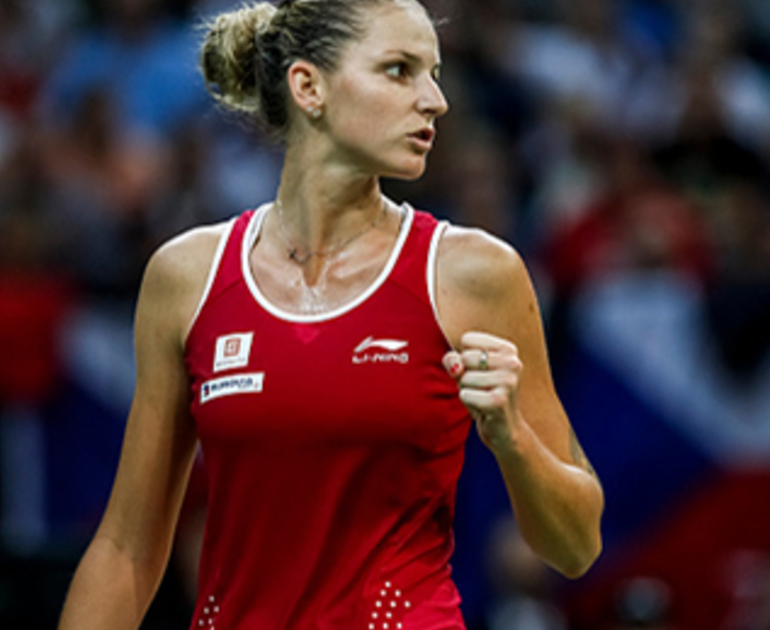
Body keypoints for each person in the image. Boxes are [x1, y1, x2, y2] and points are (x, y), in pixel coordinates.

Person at [56, 1, 604, 628]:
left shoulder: (477, 274)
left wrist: (514, 438)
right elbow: (126, 550)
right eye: (399, 70)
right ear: (308, 86)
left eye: (433, 74)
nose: (435, 101)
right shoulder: (186, 278)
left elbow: (577, 547)